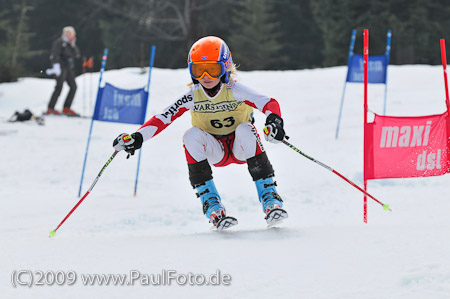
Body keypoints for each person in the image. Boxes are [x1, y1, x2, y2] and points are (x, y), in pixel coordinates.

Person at [113, 36, 288, 230]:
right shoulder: (193, 95)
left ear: (225, 67)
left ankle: (269, 198)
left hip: (242, 149)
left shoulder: (234, 89)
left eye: (212, 69)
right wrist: (138, 138)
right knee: (190, 135)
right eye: (198, 70)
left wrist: (274, 121)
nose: (205, 76)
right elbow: (163, 118)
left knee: (245, 128)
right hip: (216, 151)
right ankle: (212, 205)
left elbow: (269, 103)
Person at [45, 26, 80, 116]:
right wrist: (55, 66)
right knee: (59, 87)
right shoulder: (59, 42)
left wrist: (73, 45)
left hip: (68, 68)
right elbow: (54, 55)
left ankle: (66, 107)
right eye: (67, 33)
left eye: (70, 33)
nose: (69, 35)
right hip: (60, 67)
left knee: (73, 86)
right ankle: (50, 108)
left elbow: (76, 54)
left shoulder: (71, 43)